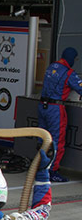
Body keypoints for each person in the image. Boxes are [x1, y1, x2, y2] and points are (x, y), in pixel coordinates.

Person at [38, 47, 82, 182]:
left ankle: (39, 168)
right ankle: (52, 171)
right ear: (71, 58)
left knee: (42, 139)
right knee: (57, 140)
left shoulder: (51, 67)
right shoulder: (69, 73)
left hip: (42, 106)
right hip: (55, 108)